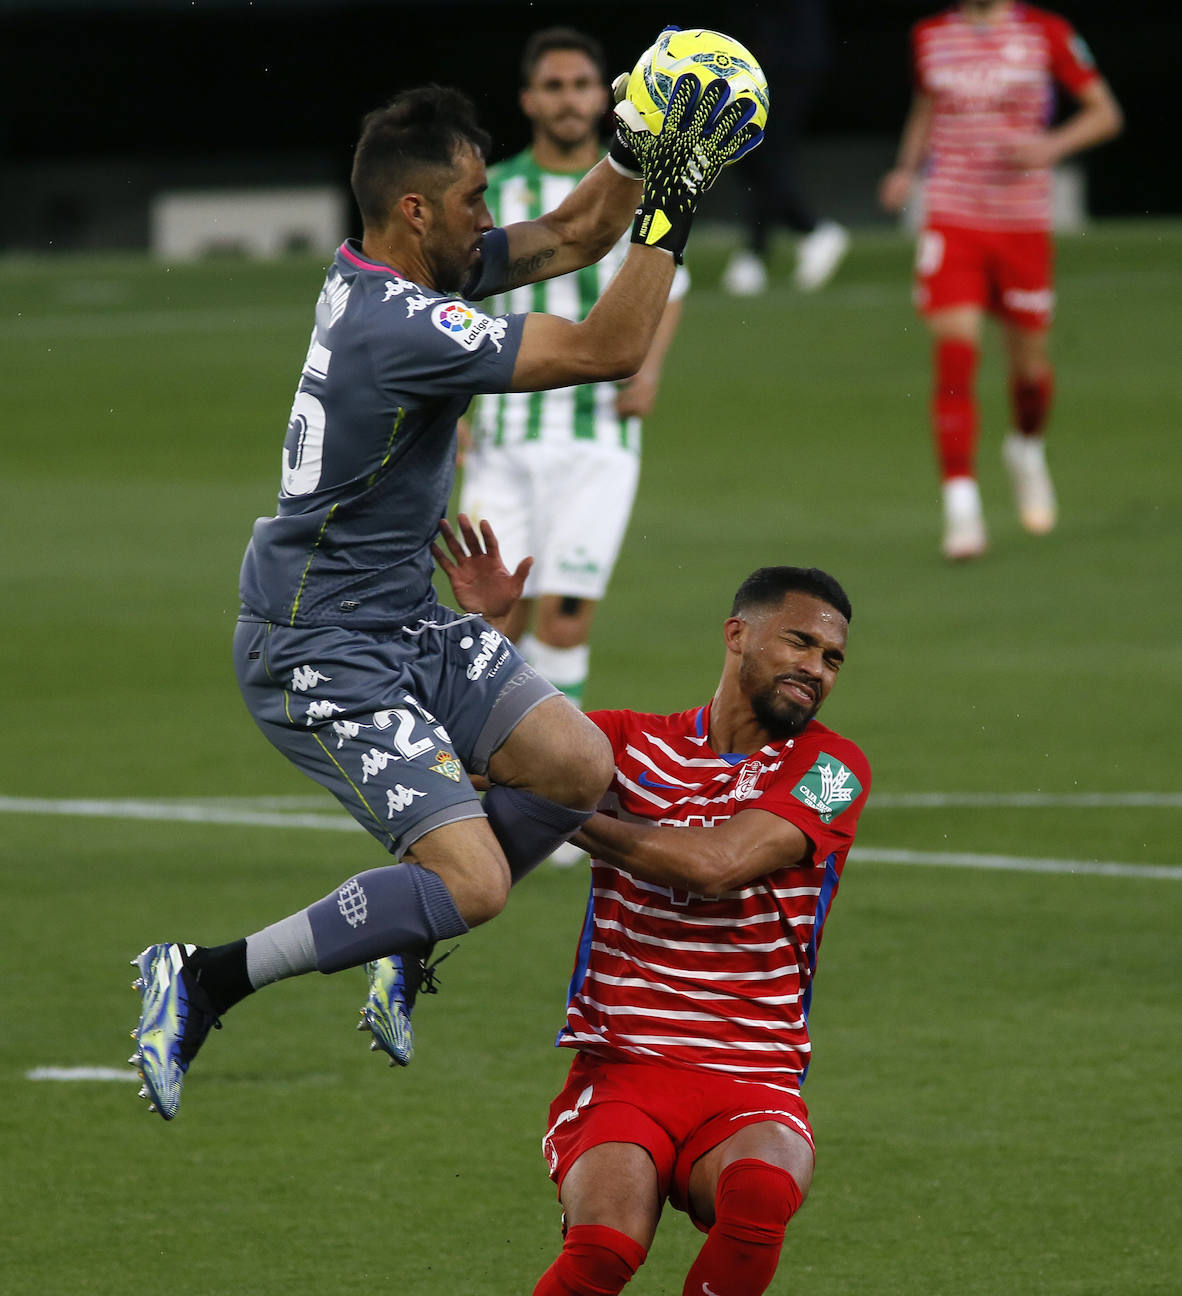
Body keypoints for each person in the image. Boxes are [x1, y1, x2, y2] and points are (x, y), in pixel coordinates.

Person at [128, 67, 764, 1121]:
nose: (492, 216)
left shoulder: (404, 274)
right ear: (415, 210)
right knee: (475, 882)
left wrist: (637, 145)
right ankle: (201, 978)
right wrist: (678, 202)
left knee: (575, 767)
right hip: (317, 645)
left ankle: (403, 931)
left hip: (402, 612)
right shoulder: (399, 327)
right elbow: (608, 348)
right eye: (474, 199)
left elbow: (568, 234)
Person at [431, 516, 870, 1296]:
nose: (816, 670)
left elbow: (718, 866)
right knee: (602, 1253)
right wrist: (489, 634)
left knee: (760, 1200)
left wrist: (566, 814)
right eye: (801, 643)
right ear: (737, 634)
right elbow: (463, 756)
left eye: (832, 660)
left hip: (752, 1075)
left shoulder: (831, 768)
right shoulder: (626, 745)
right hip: (623, 1069)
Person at [462, 27, 688, 722]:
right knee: (494, 626)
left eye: (582, 85)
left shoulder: (633, 191)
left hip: (598, 436)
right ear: (530, 100)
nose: (569, 99)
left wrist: (648, 368)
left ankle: (550, 804)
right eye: (554, 86)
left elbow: (668, 284)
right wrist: (461, 408)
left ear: (603, 96)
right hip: (502, 436)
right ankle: (491, 784)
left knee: (563, 620)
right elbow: (455, 299)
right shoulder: (494, 192)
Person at [878, 0, 1122, 559]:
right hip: (953, 217)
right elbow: (926, 108)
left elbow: (1104, 112)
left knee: (1031, 371)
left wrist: (1050, 146)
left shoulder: (1047, 33)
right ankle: (961, 509)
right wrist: (906, 169)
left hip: (1021, 224)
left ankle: (1026, 448)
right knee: (956, 355)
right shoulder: (931, 36)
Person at [721, 0, 851, 295]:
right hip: (769, 55)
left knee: (761, 152)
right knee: (755, 154)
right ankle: (761, 251)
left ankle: (803, 233)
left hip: (787, 59)